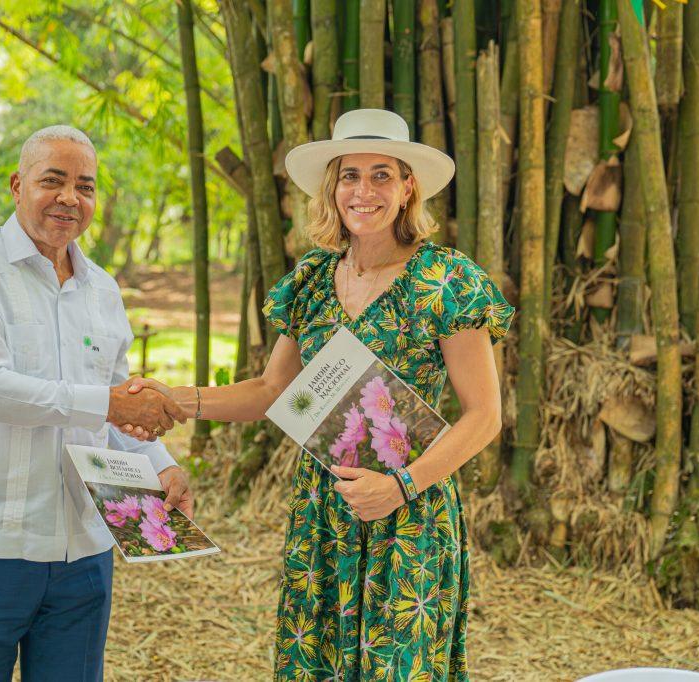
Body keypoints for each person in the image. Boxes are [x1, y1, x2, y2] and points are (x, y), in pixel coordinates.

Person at [126, 109, 515, 680]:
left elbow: (485, 415)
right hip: (324, 509)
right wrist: (177, 399)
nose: (364, 191)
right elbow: (271, 390)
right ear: (332, 189)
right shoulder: (311, 279)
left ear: (409, 187)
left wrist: (400, 487)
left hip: (409, 509)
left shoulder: (446, 281)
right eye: (349, 176)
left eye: (382, 174)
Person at [0, 125, 191, 681]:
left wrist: (162, 466)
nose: (70, 198)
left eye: (85, 186)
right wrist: (109, 404)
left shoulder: (102, 289)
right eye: (54, 181)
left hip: (83, 546)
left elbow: (116, 403)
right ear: (17, 185)